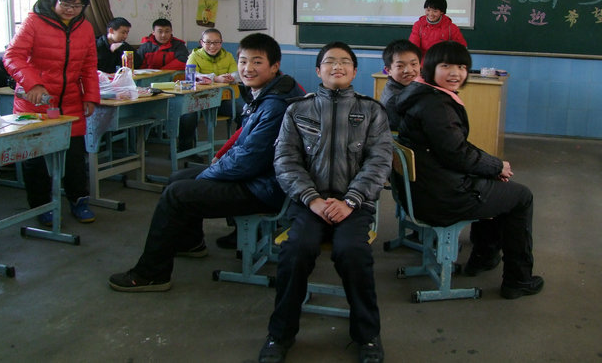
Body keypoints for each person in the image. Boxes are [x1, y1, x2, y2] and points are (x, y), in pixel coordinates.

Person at [108, 33, 305, 292]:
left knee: (178, 193)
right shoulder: (273, 90)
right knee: (178, 178)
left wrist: (210, 173)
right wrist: (217, 164)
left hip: (265, 188)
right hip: (259, 177)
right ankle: (191, 243)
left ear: (274, 66)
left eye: (257, 62)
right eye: (243, 61)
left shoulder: (275, 105)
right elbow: (245, 144)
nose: (247, 69)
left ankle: (151, 274)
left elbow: (248, 161)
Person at [259, 42, 391, 363]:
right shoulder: (297, 110)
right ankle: (279, 335)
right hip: (310, 203)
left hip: (354, 205)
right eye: (330, 61)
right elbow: (285, 160)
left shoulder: (372, 111)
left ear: (354, 71)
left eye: (345, 62)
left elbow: (379, 162)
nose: (337, 66)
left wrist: (351, 201)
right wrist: (312, 199)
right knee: (295, 251)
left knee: (353, 252)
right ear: (318, 70)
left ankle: (367, 336)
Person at [395, 41, 543, 299]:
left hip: (423, 190)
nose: (456, 73)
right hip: (441, 197)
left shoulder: (421, 94)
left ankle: (484, 257)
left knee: (496, 186)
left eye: (462, 67)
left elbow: (456, 146)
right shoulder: (437, 106)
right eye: (446, 66)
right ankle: (518, 280)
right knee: (521, 197)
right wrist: (497, 166)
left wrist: (493, 166)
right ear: (431, 68)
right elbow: (457, 154)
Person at [3, 0, 100, 225]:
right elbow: (13, 56)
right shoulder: (34, 22)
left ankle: (79, 201)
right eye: (66, 4)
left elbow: (89, 65)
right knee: (36, 159)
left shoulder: (85, 27)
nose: (71, 10)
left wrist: (90, 96)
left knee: (75, 157)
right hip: (36, 102)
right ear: (54, 0)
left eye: (77, 6)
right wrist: (33, 83)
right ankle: (41, 206)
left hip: (71, 102)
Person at [179, 28, 238, 152]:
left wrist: (231, 77)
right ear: (201, 42)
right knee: (188, 118)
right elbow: (192, 75)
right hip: (198, 101)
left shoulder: (228, 56)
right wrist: (216, 78)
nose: (212, 46)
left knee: (246, 114)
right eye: (208, 42)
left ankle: (239, 147)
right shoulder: (194, 56)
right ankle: (186, 150)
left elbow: (236, 73)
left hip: (222, 100)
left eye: (216, 42)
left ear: (221, 43)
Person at [379, 38, 421, 131]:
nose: (409, 70)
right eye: (400, 66)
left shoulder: (408, 86)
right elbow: (404, 131)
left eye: (413, 64)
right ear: (388, 70)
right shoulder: (394, 99)